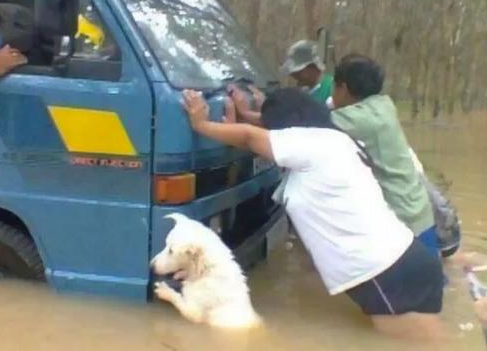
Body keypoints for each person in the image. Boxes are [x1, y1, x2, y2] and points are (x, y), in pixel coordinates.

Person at [182, 87, 444, 341]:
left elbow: (251, 137)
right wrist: (235, 120)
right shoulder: (332, 141)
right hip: (401, 263)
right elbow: (260, 136)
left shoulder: (314, 144)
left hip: (385, 272)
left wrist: (202, 125)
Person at [330, 55, 438, 255]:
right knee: (429, 281)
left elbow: (308, 123)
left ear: (343, 88)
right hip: (419, 212)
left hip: (403, 220)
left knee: (410, 283)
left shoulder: (359, 118)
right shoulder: (384, 105)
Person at [280, 39, 334, 106]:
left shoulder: (331, 89)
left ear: (313, 66)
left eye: (298, 72)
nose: (294, 75)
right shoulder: (303, 91)